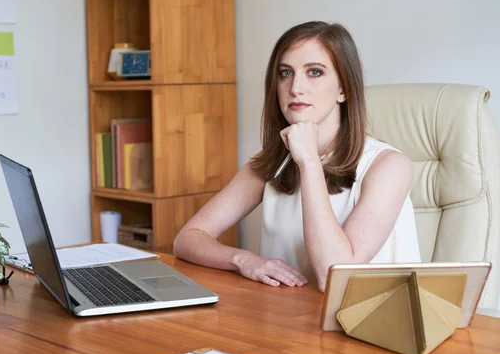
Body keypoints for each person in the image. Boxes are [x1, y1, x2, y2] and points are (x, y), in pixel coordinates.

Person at [172, 21, 422, 292]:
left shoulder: (388, 166)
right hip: (288, 318)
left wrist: (309, 161)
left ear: (343, 90)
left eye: (315, 72)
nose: (295, 87)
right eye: (285, 73)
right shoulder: (270, 163)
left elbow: (333, 276)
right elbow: (187, 239)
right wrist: (243, 259)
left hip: (367, 324)